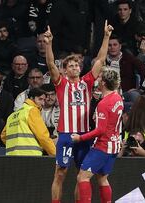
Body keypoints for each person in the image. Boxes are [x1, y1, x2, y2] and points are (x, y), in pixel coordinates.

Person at [46, 20, 113, 202]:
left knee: (82, 174)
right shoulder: (61, 83)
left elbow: (100, 59)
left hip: (85, 134)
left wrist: (106, 37)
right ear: (65, 70)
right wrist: (49, 44)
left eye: (77, 65)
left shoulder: (87, 82)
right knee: (60, 173)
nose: (75, 67)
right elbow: (51, 64)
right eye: (71, 66)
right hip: (66, 134)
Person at [71, 68, 124, 203]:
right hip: (114, 145)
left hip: (103, 146)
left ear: (104, 83)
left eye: (100, 78)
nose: (98, 80)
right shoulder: (118, 98)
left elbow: (100, 130)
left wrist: (80, 138)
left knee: (82, 177)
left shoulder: (103, 104)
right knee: (102, 178)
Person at [0, 87, 56, 156]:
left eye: (44, 100)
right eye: (40, 99)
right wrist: (54, 154)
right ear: (31, 98)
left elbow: (3, 136)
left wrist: (15, 146)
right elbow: (42, 135)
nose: (43, 103)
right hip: (31, 156)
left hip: (11, 156)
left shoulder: (12, 115)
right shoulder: (32, 111)